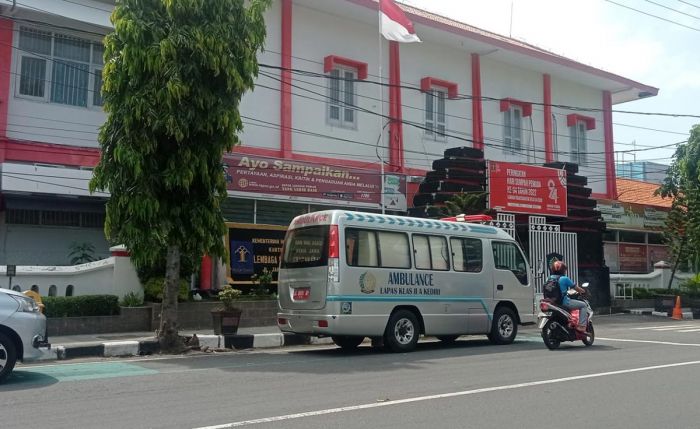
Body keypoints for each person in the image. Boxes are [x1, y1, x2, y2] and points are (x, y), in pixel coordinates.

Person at [551, 261, 587, 332]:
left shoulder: (549, 278)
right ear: (563, 270)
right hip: (563, 302)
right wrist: (584, 291)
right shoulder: (564, 279)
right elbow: (576, 288)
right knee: (583, 305)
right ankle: (582, 326)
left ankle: (570, 323)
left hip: (552, 302)